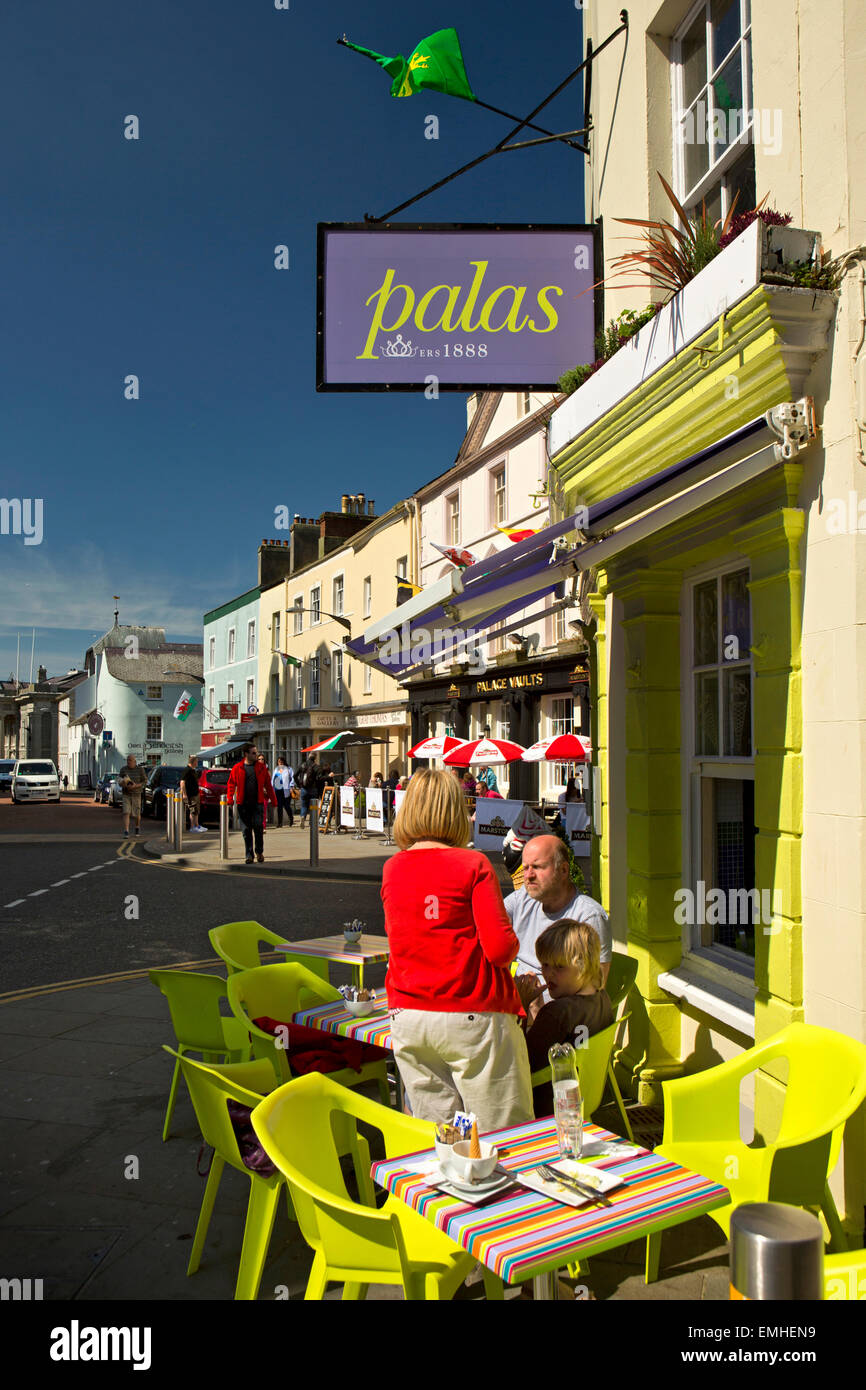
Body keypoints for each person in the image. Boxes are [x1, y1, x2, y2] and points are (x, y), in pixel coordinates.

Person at [381, 767, 533, 1132]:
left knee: (439, 1140)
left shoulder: (392, 868)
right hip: (472, 1012)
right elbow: (500, 951)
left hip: (409, 1014)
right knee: (503, 1136)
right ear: (454, 810)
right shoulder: (473, 864)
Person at [515, 919, 614, 1116]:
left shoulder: (557, 1013)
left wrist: (520, 1006)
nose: (548, 974)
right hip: (585, 1097)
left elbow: (519, 1062)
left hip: (546, 1106)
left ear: (583, 966)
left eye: (559, 967)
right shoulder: (602, 998)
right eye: (544, 964)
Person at [504, 834, 612, 984]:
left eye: (537, 867)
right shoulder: (522, 898)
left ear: (563, 870)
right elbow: (489, 922)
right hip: (516, 1000)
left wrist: (541, 1005)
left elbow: (593, 990)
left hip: (561, 1005)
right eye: (525, 868)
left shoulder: (588, 916)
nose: (528, 876)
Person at [227, 743, 277, 864]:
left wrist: (274, 801)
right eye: (254, 753)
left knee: (259, 828)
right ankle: (249, 855)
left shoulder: (261, 767)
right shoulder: (237, 768)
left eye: (256, 752)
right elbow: (231, 784)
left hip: (258, 803)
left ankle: (259, 851)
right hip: (243, 804)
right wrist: (230, 799)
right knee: (246, 831)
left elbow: (268, 785)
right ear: (246, 754)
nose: (256, 755)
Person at [119, 754, 147, 837]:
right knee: (126, 812)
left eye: (130, 760)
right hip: (126, 794)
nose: (129, 762)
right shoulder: (123, 770)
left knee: (136, 814)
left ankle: (137, 827)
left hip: (136, 794)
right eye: (128, 760)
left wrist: (136, 786)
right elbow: (119, 780)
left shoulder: (140, 770)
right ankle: (126, 831)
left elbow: (145, 781)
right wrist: (123, 784)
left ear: (135, 761)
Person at [181, 754, 206, 833]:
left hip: (195, 793)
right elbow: (182, 782)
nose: (197, 763)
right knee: (193, 810)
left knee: (196, 810)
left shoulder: (193, 770)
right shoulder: (187, 770)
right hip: (190, 794)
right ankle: (192, 827)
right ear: (193, 762)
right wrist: (184, 794)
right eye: (196, 762)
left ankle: (197, 825)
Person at [296, 752, 319, 829]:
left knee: (304, 805)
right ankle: (312, 821)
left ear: (308, 756)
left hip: (304, 789)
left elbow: (294, 776)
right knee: (313, 806)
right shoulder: (316, 766)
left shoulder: (302, 765)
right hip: (313, 789)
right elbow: (318, 778)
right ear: (315, 758)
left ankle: (303, 817)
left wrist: (299, 785)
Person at [271, 756, 295, 828]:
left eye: (281, 762)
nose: (280, 763)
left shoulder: (289, 769)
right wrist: (272, 788)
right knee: (279, 806)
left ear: (284, 762)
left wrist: (291, 786)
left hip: (286, 789)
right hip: (278, 790)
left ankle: (291, 819)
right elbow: (273, 779)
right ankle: (280, 823)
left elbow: (292, 778)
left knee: (287, 806)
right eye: (279, 762)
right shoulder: (276, 769)